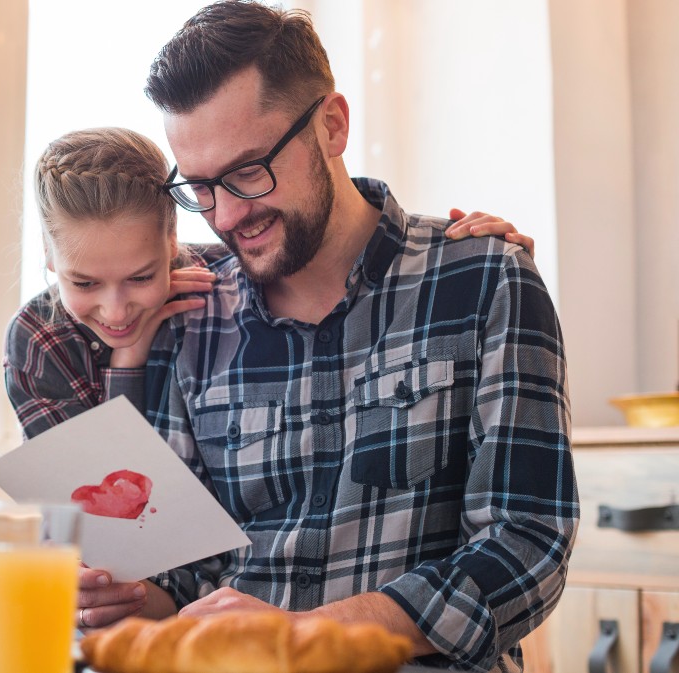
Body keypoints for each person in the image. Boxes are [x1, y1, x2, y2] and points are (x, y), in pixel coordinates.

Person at [72, 3, 577, 671]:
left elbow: (526, 544)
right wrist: (134, 598)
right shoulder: (189, 314)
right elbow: (188, 576)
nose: (226, 214)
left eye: (249, 171)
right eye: (199, 187)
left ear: (333, 125)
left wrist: (314, 632)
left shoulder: (485, 280)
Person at [4, 128, 530, 440]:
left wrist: (477, 256)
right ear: (49, 258)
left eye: (141, 277)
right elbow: (107, 499)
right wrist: (130, 361)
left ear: (173, 242)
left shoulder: (228, 285)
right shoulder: (38, 340)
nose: (115, 310)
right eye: (85, 282)